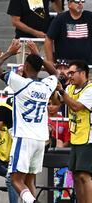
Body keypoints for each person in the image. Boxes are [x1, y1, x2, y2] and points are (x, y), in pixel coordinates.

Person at [0, 39, 58, 203]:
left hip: (24, 138)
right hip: (41, 139)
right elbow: (55, 73)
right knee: (29, 180)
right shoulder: (46, 86)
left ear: (25, 67)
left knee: (15, 180)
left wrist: (10, 53)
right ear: (39, 67)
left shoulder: (20, 83)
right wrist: (38, 56)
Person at [56, 60, 92, 203]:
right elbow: (59, 100)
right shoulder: (70, 88)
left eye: (72, 73)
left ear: (82, 73)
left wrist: (61, 91)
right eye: (68, 73)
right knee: (76, 175)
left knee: (84, 175)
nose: (69, 76)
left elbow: (76, 106)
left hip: (88, 137)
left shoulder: (90, 89)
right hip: (76, 136)